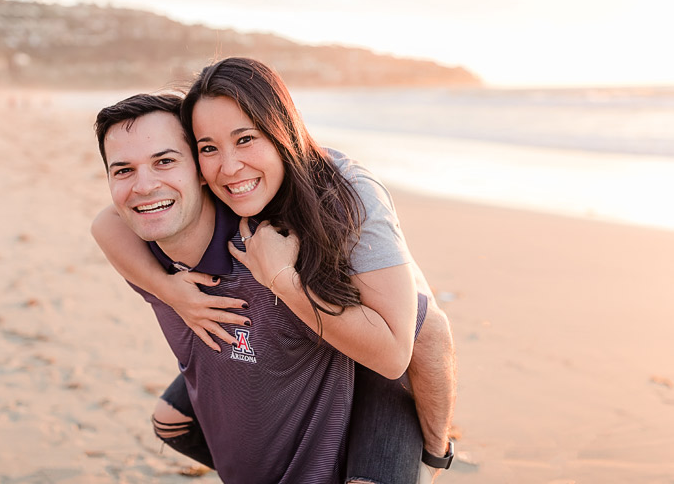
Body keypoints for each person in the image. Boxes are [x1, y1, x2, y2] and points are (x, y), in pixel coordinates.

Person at [93, 59, 456, 482]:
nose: (229, 167)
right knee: (169, 420)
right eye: (209, 147)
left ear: (281, 131)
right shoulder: (177, 215)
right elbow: (106, 223)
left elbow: (418, 337)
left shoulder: (344, 196)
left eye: (246, 139)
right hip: (277, 356)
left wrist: (434, 455)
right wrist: (169, 290)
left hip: (377, 345)